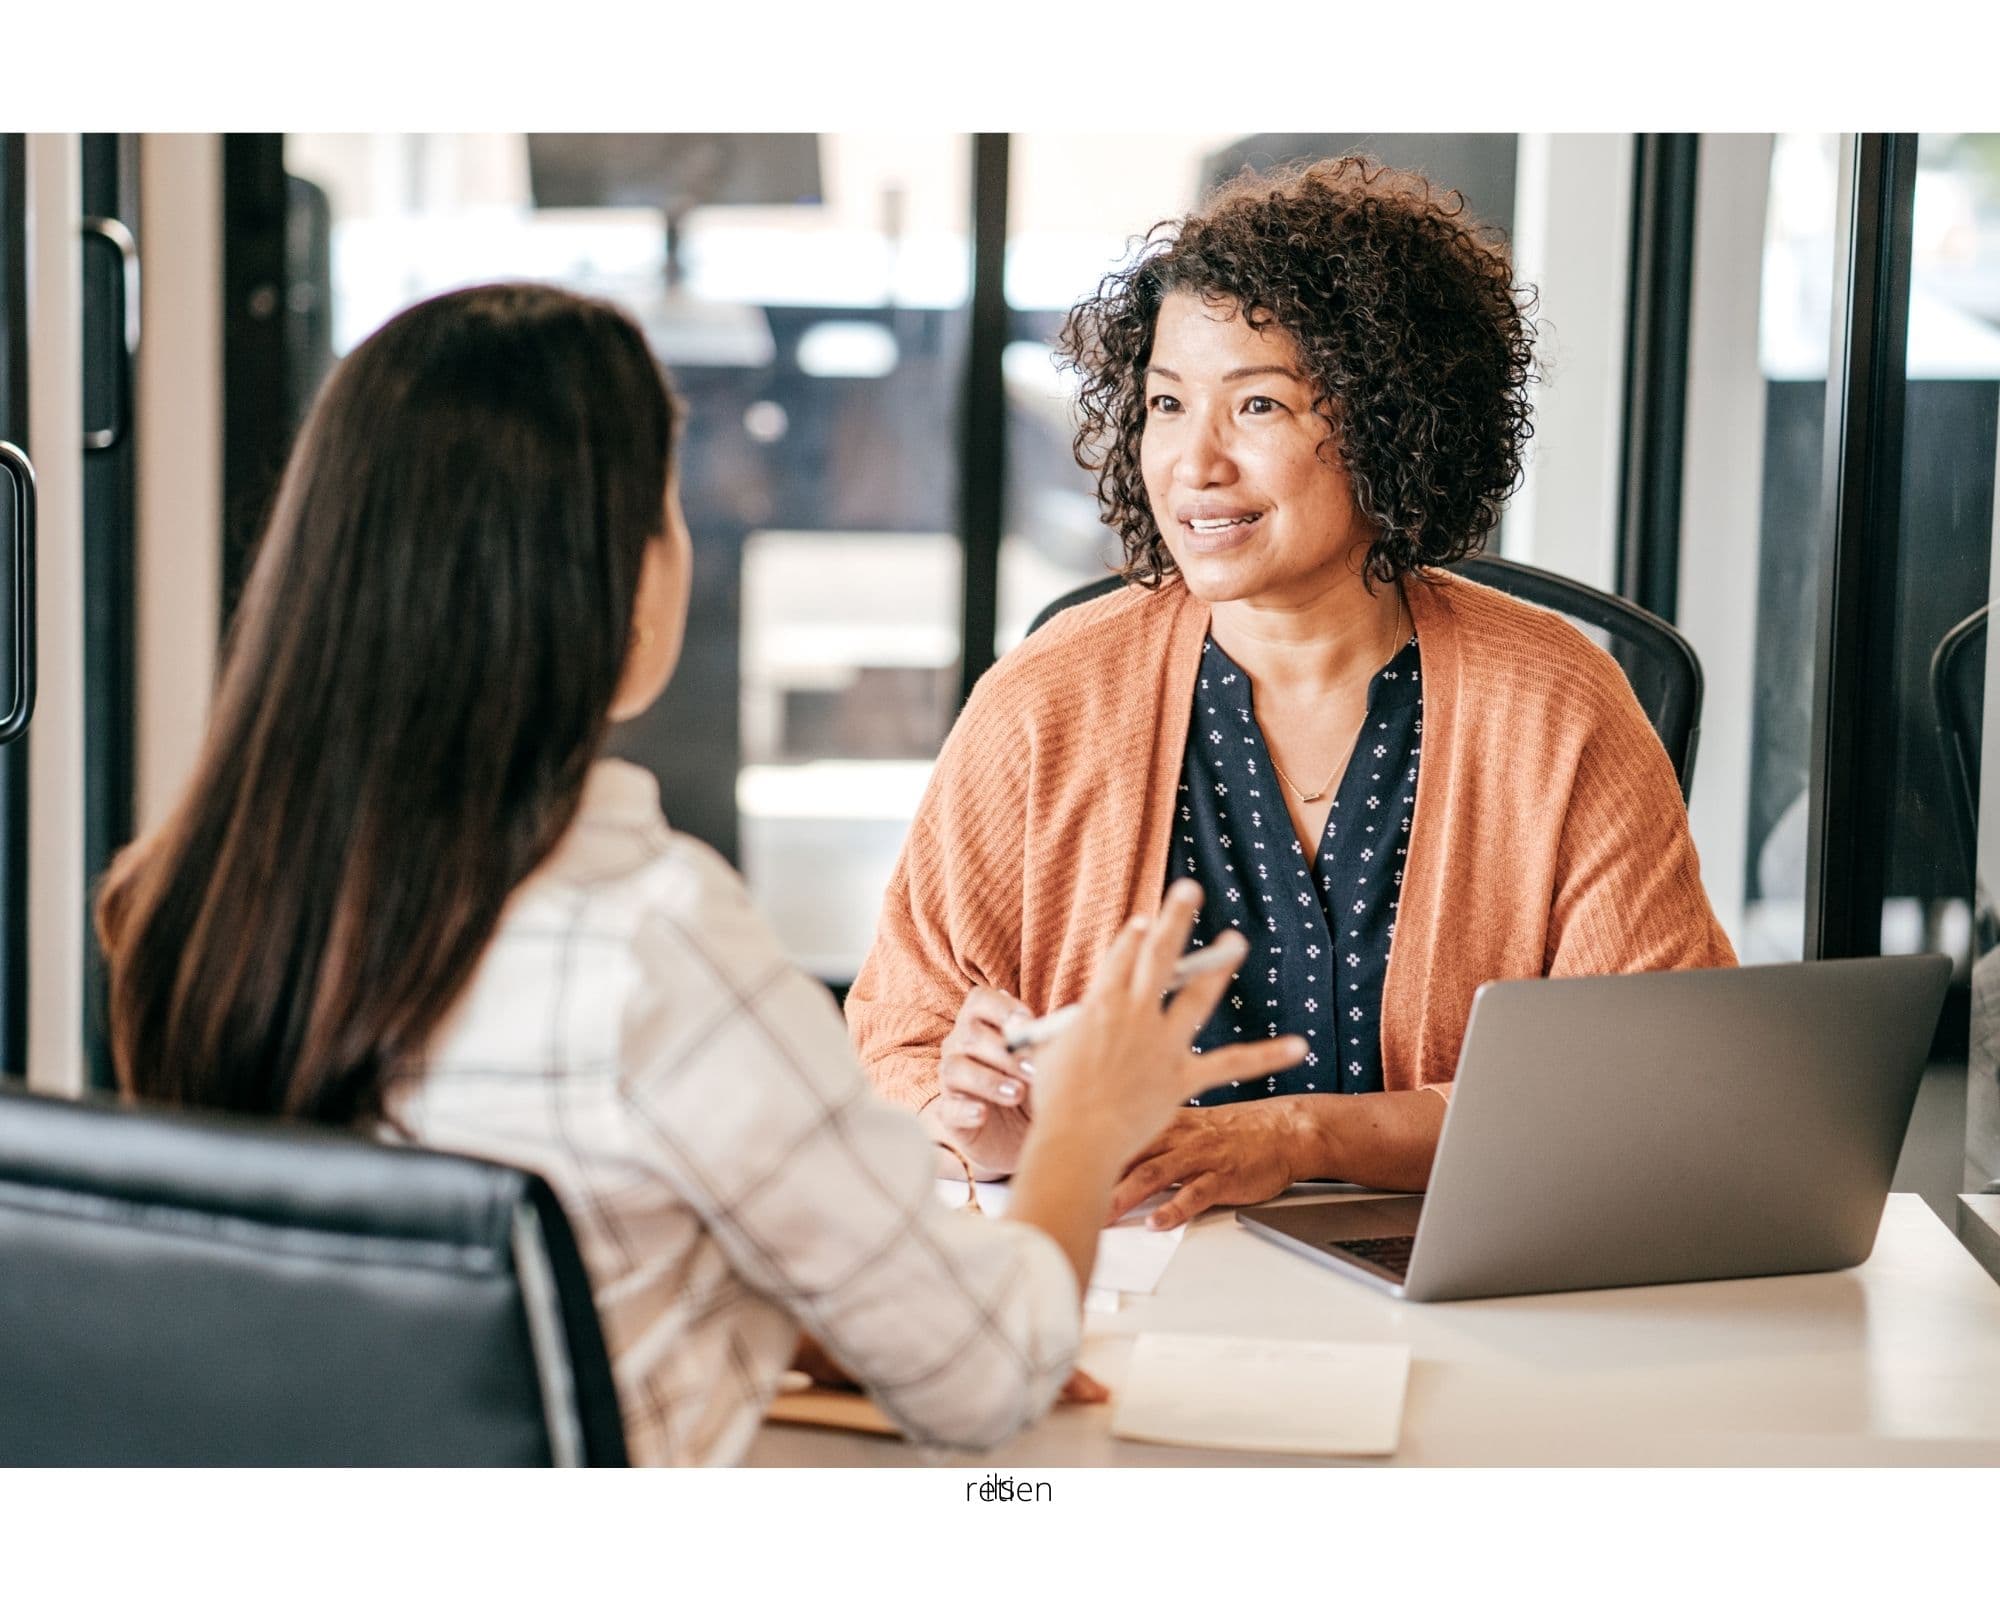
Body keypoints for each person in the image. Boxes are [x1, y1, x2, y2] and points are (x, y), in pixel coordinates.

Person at [95, 283, 1293, 1466]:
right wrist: (1085, 1120)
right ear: (605, 584)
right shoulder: (650, 942)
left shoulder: (188, 901)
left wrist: (792, 1313)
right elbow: (986, 1376)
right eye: (667, 511)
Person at [848, 157, 1735, 1229]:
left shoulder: (1556, 702)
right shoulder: (1044, 698)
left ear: (1387, 418)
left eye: (1255, 403)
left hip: (1452, 1275)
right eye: (1166, 404)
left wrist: (1303, 1136)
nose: (1193, 462)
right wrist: (975, 1124)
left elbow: (1641, 1083)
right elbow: (899, 1037)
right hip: (1117, 1265)